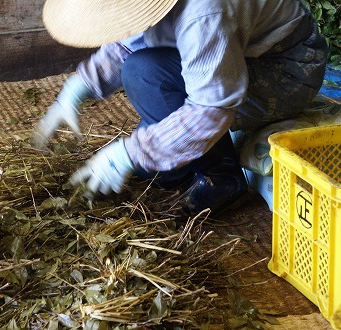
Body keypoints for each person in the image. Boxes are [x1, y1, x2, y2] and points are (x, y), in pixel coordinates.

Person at [33, 0, 327, 216]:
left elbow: (211, 108)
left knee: (143, 73)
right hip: (234, 50)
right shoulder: (150, 7)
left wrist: (130, 153)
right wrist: (77, 89)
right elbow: (127, 42)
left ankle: (222, 176)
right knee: (159, 167)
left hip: (286, 71)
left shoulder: (204, 12)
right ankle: (193, 162)